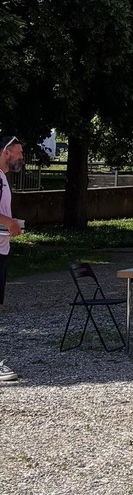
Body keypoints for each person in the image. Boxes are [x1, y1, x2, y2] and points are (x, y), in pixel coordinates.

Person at [0, 135, 24, 383]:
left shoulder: (3, 179)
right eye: (19, 153)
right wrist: (8, 222)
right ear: (7, 152)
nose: (21, 158)